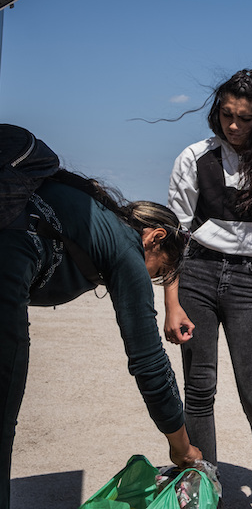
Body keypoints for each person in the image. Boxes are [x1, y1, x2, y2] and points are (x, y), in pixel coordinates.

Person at [0, 167, 201, 509]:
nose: (150, 276)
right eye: (160, 271)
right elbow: (149, 363)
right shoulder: (127, 247)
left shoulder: (93, 217)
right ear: (154, 237)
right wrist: (181, 447)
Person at [163, 68, 252, 509]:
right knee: (199, 390)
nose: (234, 125)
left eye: (245, 118)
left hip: (249, 282)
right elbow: (174, 236)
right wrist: (171, 303)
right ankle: (206, 490)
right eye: (227, 115)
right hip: (197, 274)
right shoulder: (194, 157)